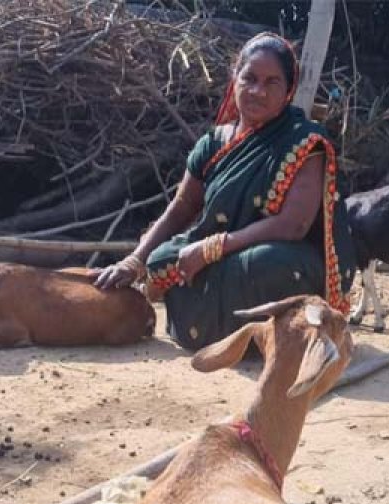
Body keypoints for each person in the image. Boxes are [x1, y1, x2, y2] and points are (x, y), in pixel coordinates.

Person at [94, 32, 355, 351]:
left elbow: (294, 224)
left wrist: (212, 248)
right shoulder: (214, 143)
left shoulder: (305, 142)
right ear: (235, 79)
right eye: (250, 78)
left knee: (266, 262)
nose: (258, 90)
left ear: (288, 90)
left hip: (281, 258)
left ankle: (274, 340)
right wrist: (134, 261)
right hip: (224, 255)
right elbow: (182, 207)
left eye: (272, 82)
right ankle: (217, 335)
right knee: (162, 258)